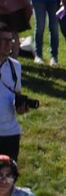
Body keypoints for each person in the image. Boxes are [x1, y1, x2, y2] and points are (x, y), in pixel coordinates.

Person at [0, 31, 28, 162]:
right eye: (4, 40)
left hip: (10, 133)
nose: (8, 45)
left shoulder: (15, 66)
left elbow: (16, 95)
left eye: (10, 41)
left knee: (8, 179)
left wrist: (21, 108)